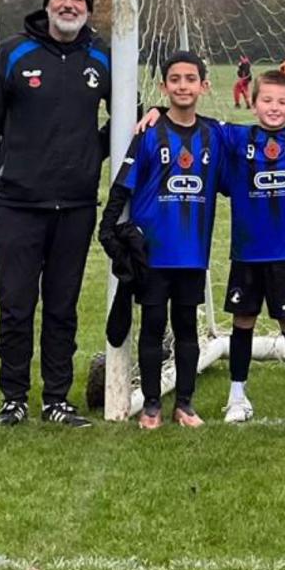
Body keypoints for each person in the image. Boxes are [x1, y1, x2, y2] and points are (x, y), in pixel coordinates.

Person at [148, 69, 285, 426]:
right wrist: (158, 111)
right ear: (252, 104)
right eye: (266, 100)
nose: (274, 107)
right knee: (242, 321)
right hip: (247, 253)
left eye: (282, 102)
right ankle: (237, 397)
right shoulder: (235, 138)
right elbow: (191, 120)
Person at [0, 0, 111, 427]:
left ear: (88, 8)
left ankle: (56, 399)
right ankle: (13, 398)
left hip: (75, 205)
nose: (68, 4)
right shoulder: (14, 53)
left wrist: (94, 151)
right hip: (17, 204)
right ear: (47, 3)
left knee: (62, 306)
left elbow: (125, 115)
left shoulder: (101, 57)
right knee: (15, 305)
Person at [99, 52, 220, 429]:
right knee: (153, 326)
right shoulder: (149, 132)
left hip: (192, 254)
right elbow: (122, 185)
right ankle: (151, 405)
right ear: (165, 86)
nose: (182, 85)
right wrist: (107, 231)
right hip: (152, 253)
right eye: (175, 79)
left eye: (190, 79)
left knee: (186, 326)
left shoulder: (215, 133)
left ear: (204, 85)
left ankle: (184, 404)